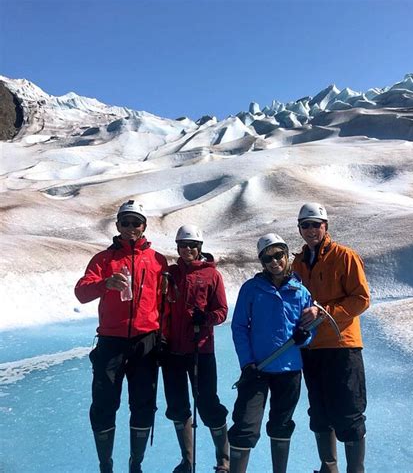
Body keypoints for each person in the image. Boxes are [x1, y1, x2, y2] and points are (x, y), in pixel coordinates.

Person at [74, 200, 168, 473]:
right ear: (117, 226)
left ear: (144, 226)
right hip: (111, 342)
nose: (130, 228)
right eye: (125, 223)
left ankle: (135, 463)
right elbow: (81, 292)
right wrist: (105, 284)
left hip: (145, 341)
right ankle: (106, 464)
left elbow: (166, 303)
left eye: (135, 222)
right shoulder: (103, 260)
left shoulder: (157, 260)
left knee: (143, 404)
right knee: (103, 404)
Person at [228, 233, 317, 473]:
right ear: (262, 262)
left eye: (278, 255)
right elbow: (239, 327)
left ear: (287, 255)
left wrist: (304, 336)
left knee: (281, 424)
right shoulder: (251, 289)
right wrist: (247, 362)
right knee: (245, 425)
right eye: (267, 258)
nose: (274, 262)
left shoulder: (300, 292)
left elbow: (309, 329)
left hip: (289, 370)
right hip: (257, 369)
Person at [292, 203, 370, 473]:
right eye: (306, 225)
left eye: (316, 224)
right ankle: (329, 467)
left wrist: (324, 312)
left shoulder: (344, 256)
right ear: (299, 228)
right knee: (320, 413)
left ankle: (355, 470)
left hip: (341, 345)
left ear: (326, 226)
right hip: (311, 348)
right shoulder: (298, 263)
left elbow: (361, 299)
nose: (311, 230)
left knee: (348, 411)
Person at [161, 224, 229, 473]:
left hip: (201, 350)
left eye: (192, 245)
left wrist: (206, 318)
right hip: (172, 352)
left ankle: (224, 460)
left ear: (199, 248)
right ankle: (187, 460)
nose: (187, 249)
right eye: (183, 245)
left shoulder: (212, 275)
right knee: (178, 406)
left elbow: (222, 311)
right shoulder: (170, 273)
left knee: (208, 404)